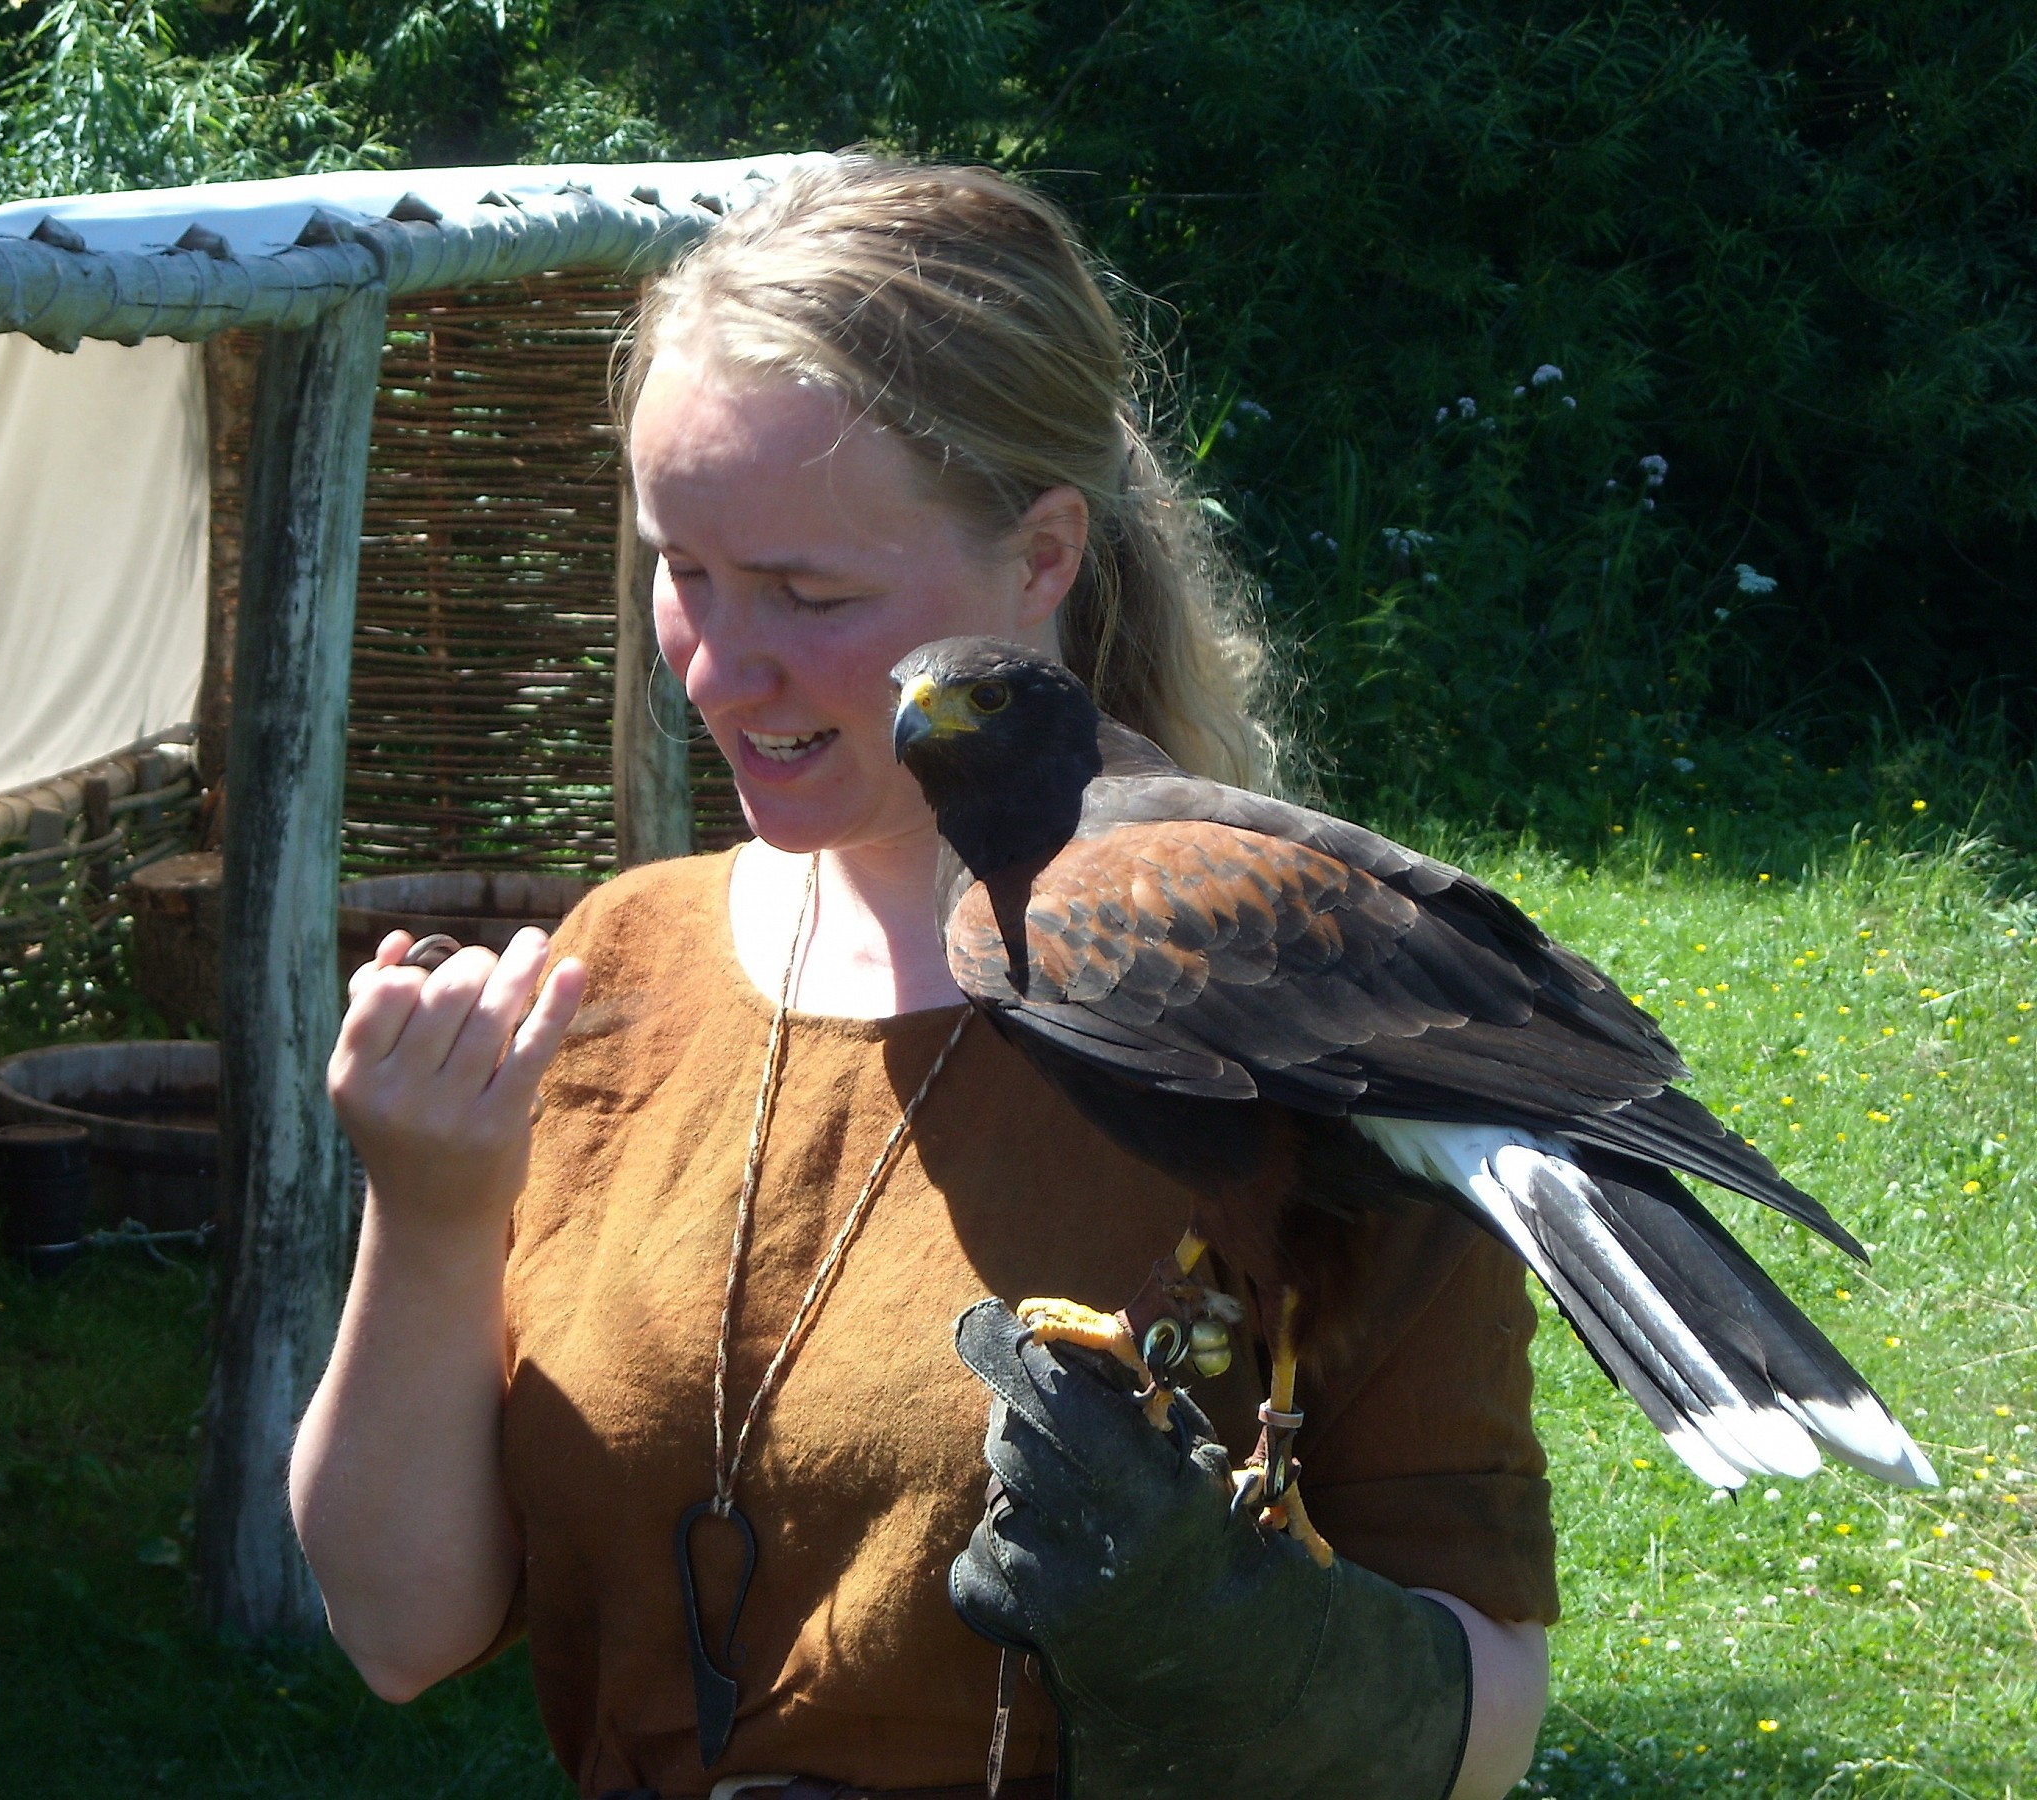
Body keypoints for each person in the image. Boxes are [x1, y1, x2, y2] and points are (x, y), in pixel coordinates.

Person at [291, 158, 1553, 1799]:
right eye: (684, 572)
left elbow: (1494, 1708)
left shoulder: (1301, 987)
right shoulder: (624, 964)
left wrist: (1255, 1660)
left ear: (1040, 558)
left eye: (813, 596)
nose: (722, 673)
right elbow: (398, 1630)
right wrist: (435, 1205)